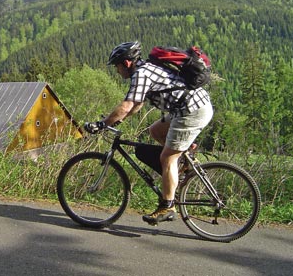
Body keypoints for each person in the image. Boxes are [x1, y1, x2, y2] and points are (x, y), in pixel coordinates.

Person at [85, 41, 213, 225]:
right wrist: (118, 119)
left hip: (192, 111)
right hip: (191, 107)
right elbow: (137, 104)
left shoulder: (142, 73)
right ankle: (184, 160)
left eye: (117, 66)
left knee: (167, 158)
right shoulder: (146, 70)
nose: (117, 71)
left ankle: (167, 206)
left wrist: (103, 124)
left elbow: (128, 104)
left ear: (126, 63)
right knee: (155, 131)